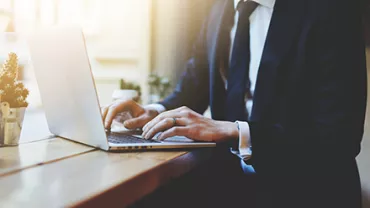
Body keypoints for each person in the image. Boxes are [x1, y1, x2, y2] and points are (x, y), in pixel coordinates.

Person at [102, 0, 367, 207]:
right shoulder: (220, 10)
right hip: (230, 186)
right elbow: (191, 88)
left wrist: (235, 131)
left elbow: (339, 140)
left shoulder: (332, 11)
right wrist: (154, 111)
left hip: (305, 193)